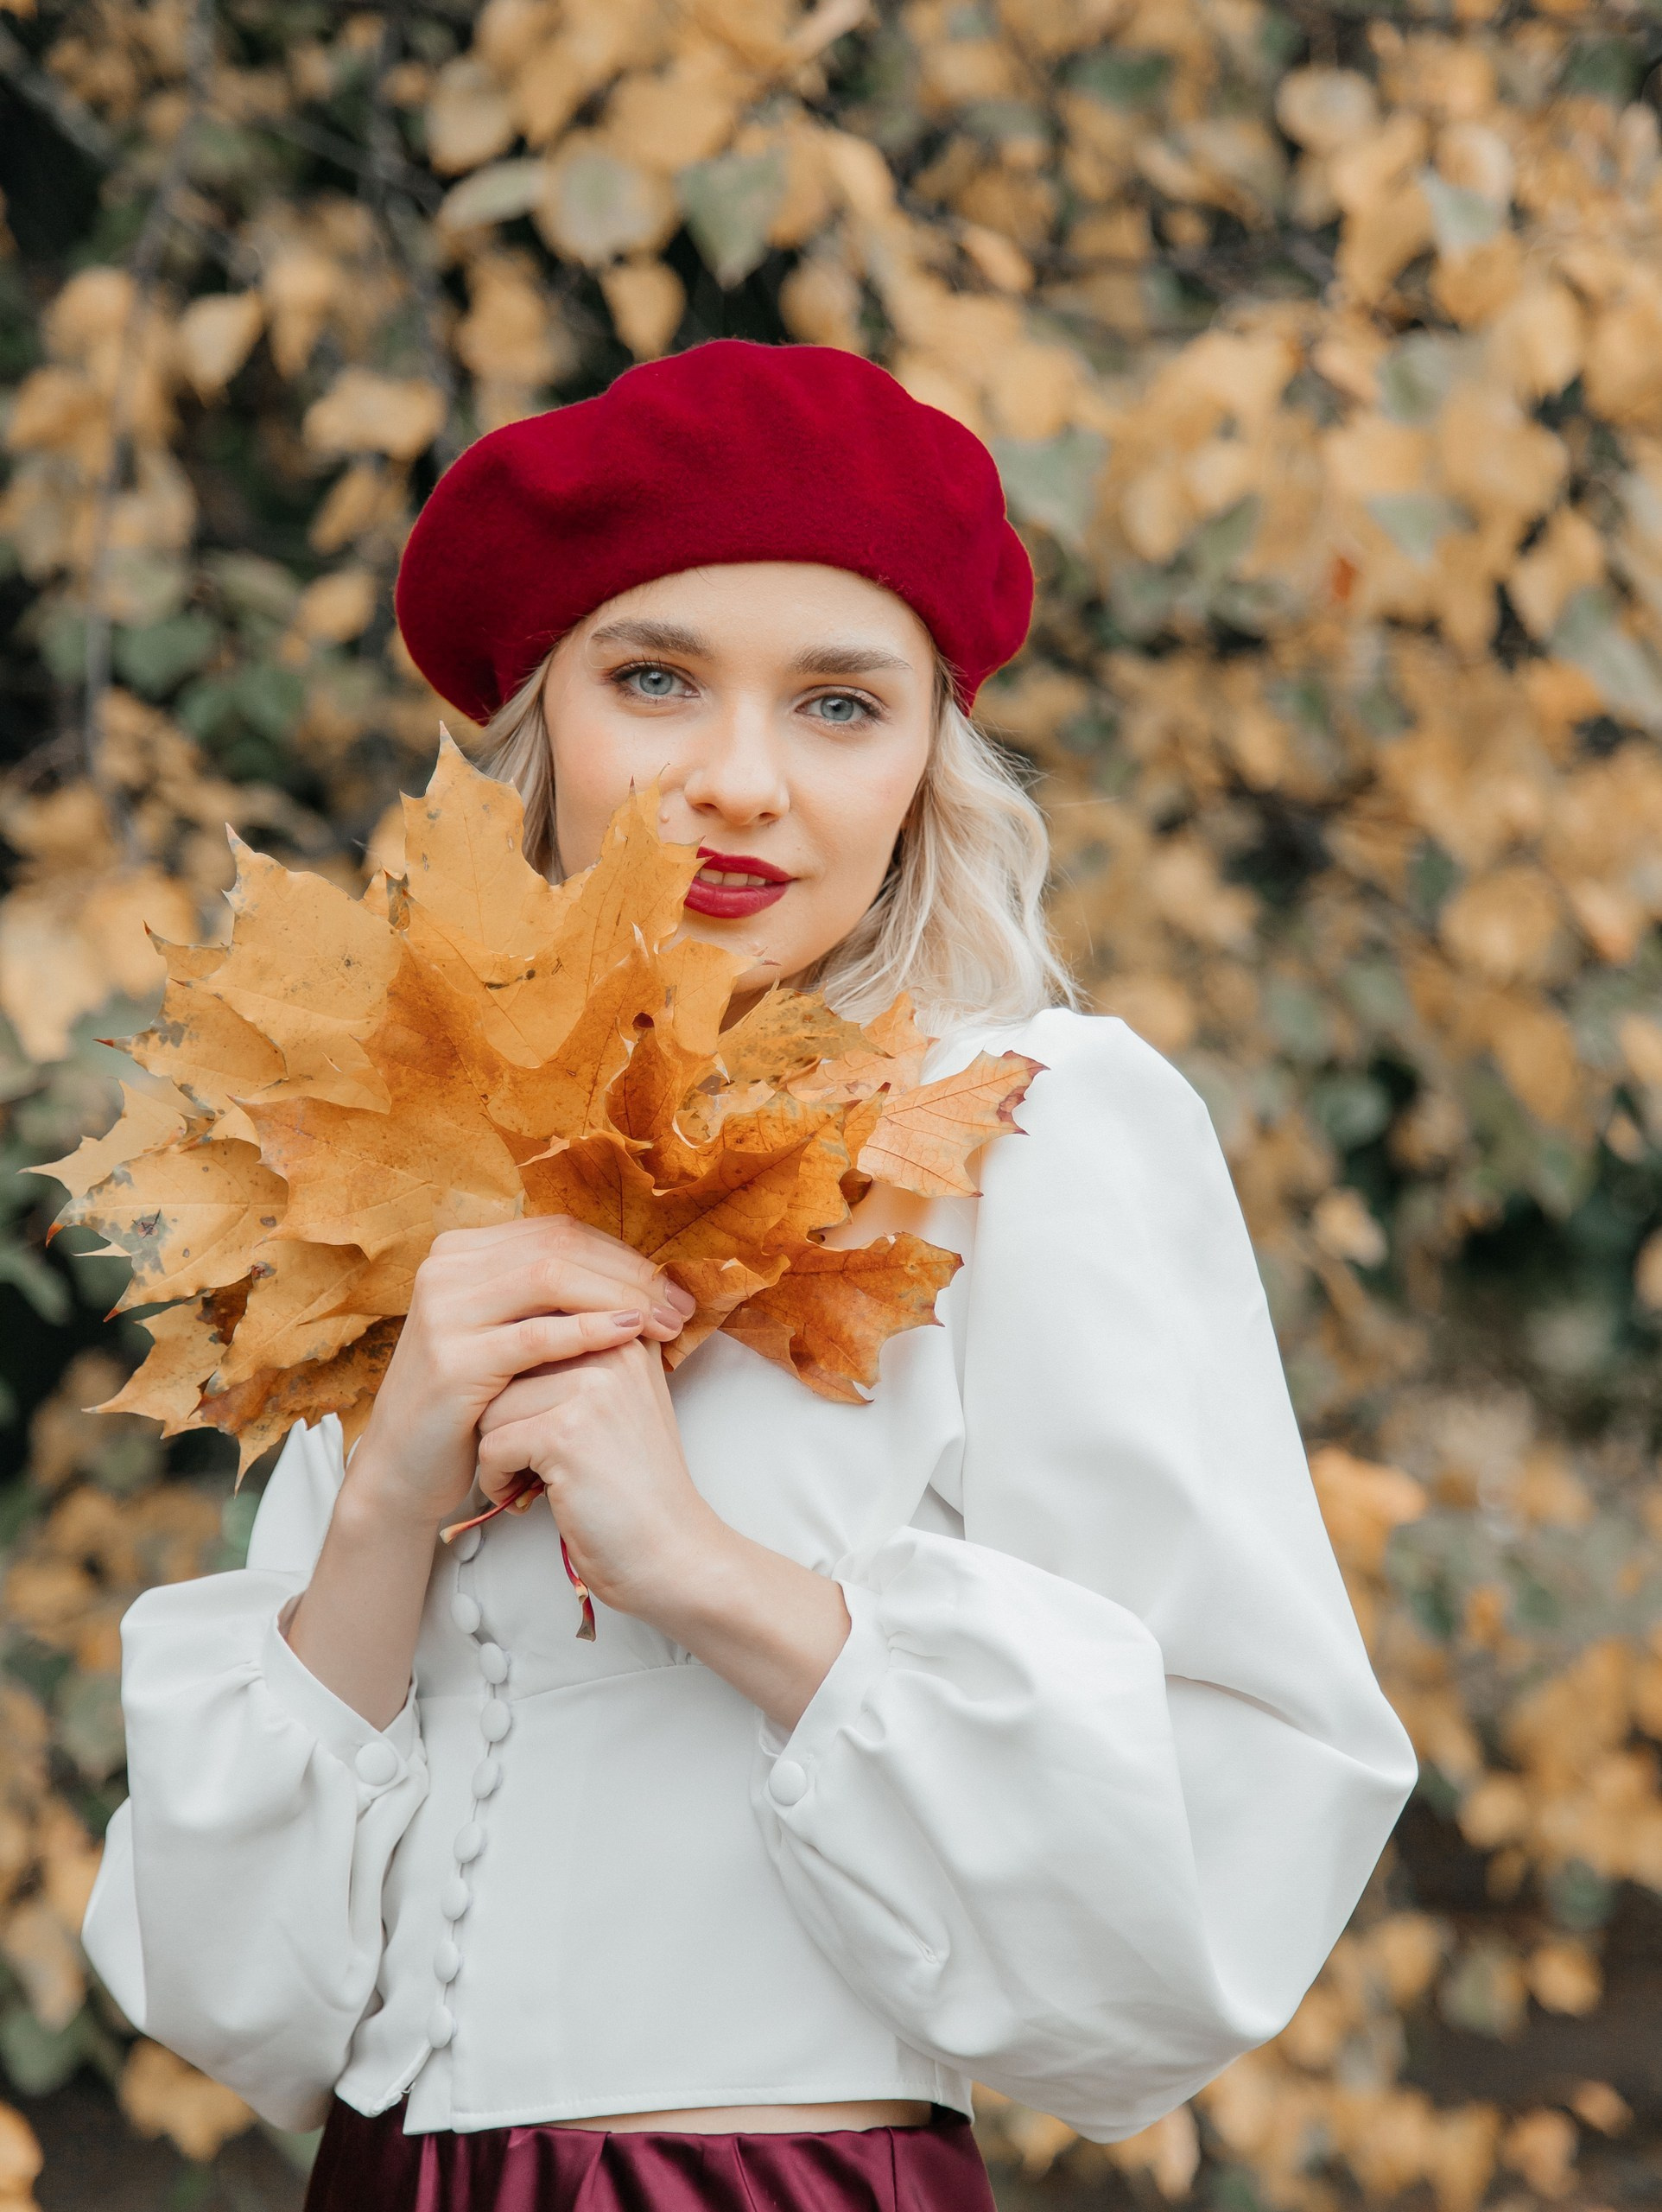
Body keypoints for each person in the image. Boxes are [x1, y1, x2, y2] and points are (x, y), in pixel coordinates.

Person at [83, 340, 1417, 2212]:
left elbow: (1226, 1834)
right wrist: (387, 1494)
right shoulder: (403, 1166)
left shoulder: (1036, 1132)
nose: (739, 782)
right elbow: (236, 1998)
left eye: (836, 704)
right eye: (653, 681)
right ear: (538, 734)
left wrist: (702, 1567)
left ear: (918, 765)